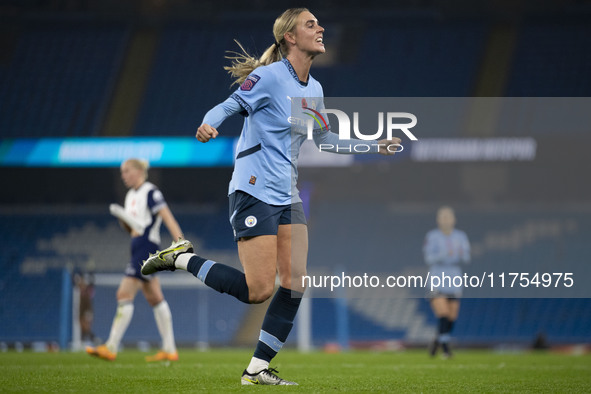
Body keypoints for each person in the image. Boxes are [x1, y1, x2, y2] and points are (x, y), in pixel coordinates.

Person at [141, 8, 401, 385]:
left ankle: (256, 369)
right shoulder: (268, 77)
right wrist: (209, 122)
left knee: (296, 281)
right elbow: (229, 105)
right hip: (253, 187)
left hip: (287, 194)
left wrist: (374, 146)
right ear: (290, 37)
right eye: (311, 24)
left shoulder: (314, 90)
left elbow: (326, 141)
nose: (320, 27)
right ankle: (181, 259)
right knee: (258, 289)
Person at [86, 158, 183, 362]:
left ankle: (111, 347)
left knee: (123, 293)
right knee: (155, 298)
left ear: (139, 171)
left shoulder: (150, 191)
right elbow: (132, 229)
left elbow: (167, 217)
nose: (123, 176)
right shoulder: (131, 195)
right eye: (122, 172)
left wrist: (182, 244)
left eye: (127, 171)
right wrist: (123, 218)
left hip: (147, 247)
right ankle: (170, 349)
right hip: (137, 245)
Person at [423, 206, 470, 358]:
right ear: (438, 220)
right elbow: (428, 258)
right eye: (443, 217)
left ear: (454, 220)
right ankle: (445, 349)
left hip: (454, 277)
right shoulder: (432, 236)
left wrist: (461, 253)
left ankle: (437, 340)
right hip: (437, 276)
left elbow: (466, 257)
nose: (446, 220)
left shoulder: (461, 236)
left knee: (452, 316)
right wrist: (444, 254)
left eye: (448, 217)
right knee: (443, 313)